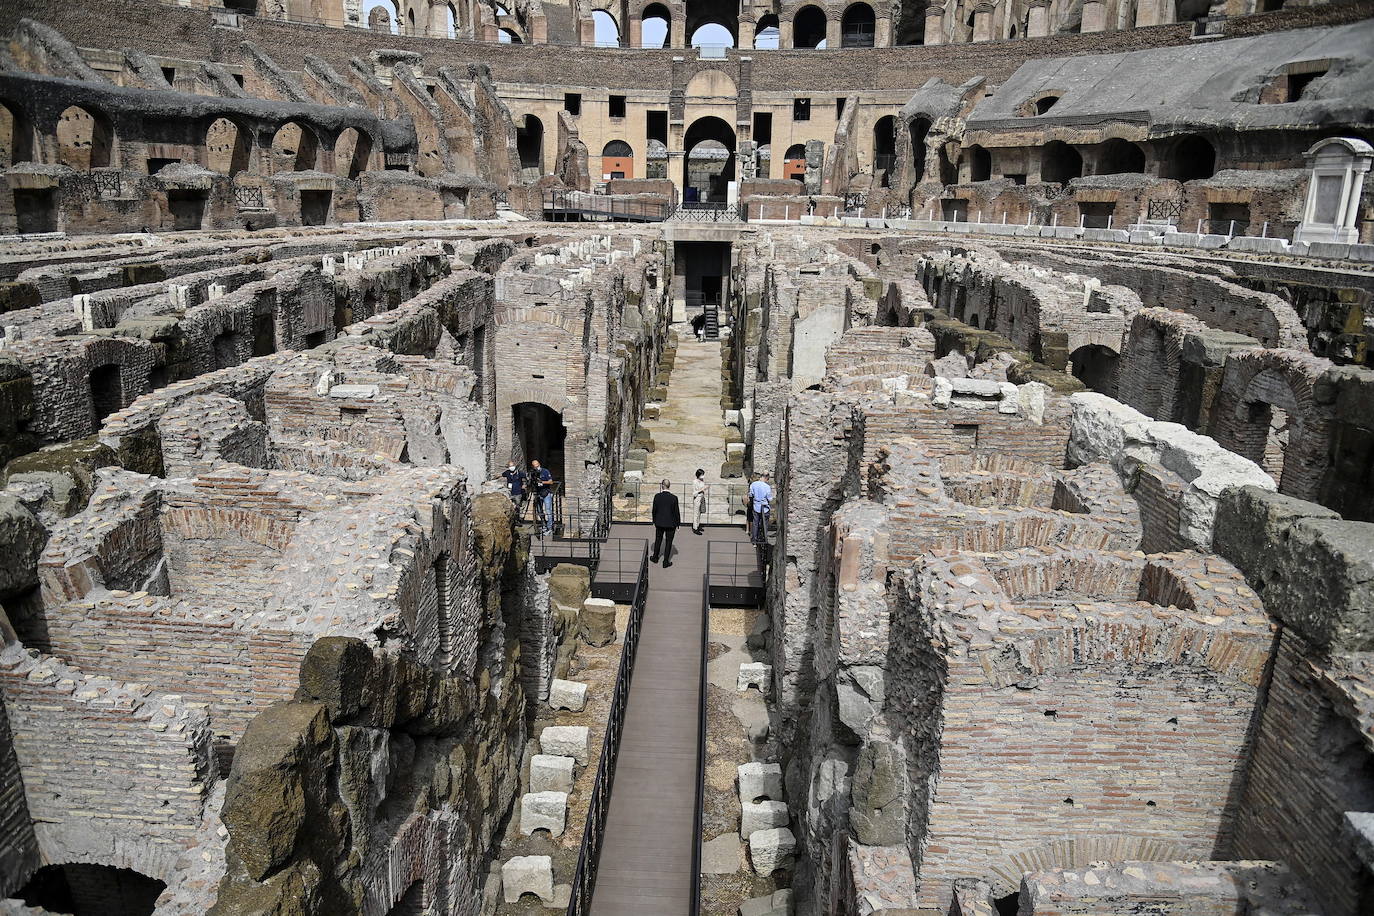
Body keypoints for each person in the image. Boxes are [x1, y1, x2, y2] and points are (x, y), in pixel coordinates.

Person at [650, 479, 680, 568]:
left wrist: (654, 520)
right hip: (671, 523)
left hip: (659, 522)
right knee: (669, 542)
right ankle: (665, 562)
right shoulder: (674, 498)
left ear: (662, 485)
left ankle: (655, 558)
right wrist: (678, 523)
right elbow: (676, 512)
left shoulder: (657, 496)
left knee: (658, 540)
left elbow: (654, 510)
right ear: (669, 486)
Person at [531, 458, 555, 537]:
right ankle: (544, 525)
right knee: (539, 511)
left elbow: (551, 481)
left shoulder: (545, 471)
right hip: (538, 494)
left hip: (546, 493)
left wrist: (542, 482)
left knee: (548, 511)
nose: (536, 467)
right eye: (535, 466)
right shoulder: (533, 473)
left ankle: (550, 528)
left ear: (539, 464)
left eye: (537, 465)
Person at [748, 472, 773, 546]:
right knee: (764, 524)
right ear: (766, 478)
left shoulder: (753, 484)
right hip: (764, 507)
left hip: (756, 506)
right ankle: (763, 539)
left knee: (755, 523)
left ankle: (754, 540)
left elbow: (751, 494)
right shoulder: (767, 486)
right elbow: (769, 498)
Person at [692, 468, 708, 535]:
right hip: (697, 498)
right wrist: (702, 489)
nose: (703, 476)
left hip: (701, 497)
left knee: (699, 513)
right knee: (696, 514)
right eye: (702, 474)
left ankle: (698, 525)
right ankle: (695, 528)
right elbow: (694, 493)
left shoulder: (702, 481)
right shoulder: (694, 482)